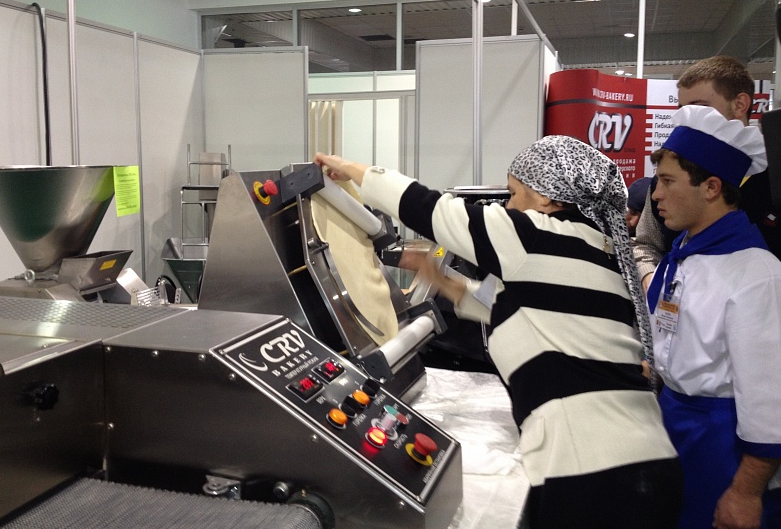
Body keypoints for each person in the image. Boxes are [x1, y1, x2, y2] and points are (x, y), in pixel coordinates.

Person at [314, 136, 683, 529]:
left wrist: (350, 169)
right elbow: (513, 306)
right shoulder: (595, 249)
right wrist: (437, 277)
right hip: (643, 466)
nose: (507, 206)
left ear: (545, 197)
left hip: (595, 477)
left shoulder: (536, 234)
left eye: (513, 193)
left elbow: (431, 208)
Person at [647, 105, 781, 529]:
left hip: (722, 447)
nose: (655, 195)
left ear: (711, 187)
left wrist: (745, 492)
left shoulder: (756, 273)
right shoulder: (686, 253)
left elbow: (769, 401)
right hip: (674, 424)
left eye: (668, 181)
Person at [633, 55, 781, 292]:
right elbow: (646, 244)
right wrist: (653, 282)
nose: (689, 119)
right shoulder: (663, 184)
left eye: (700, 108)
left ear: (740, 104)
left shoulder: (772, 182)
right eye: (682, 110)